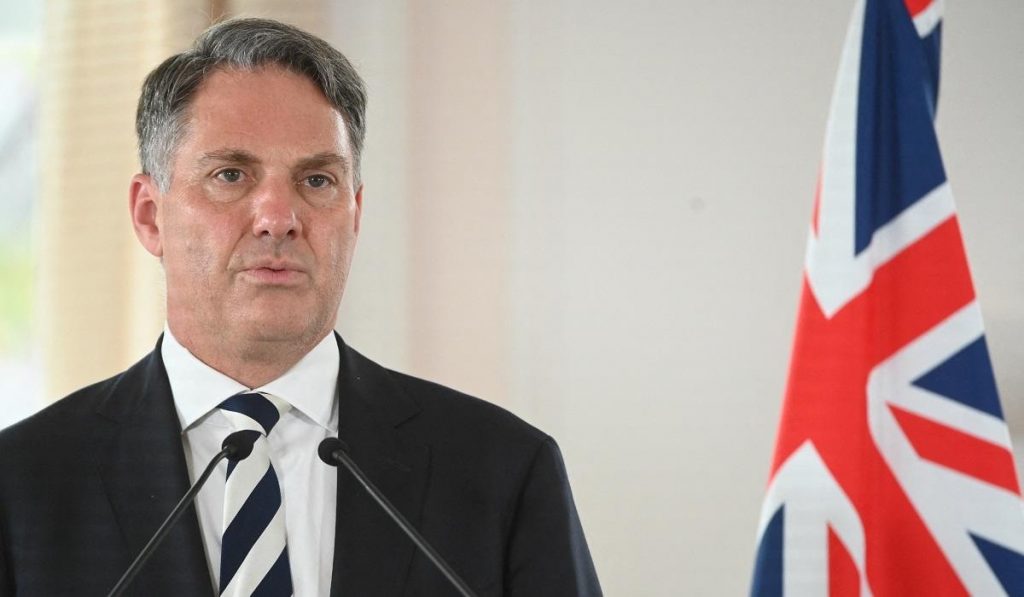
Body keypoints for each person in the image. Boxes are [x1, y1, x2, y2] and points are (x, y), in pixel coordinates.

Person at [0, 18, 601, 596]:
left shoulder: (503, 470)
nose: (279, 219)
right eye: (231, 175)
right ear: (150, 216)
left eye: (316, 181)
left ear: (355, 216)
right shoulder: (22, 484)